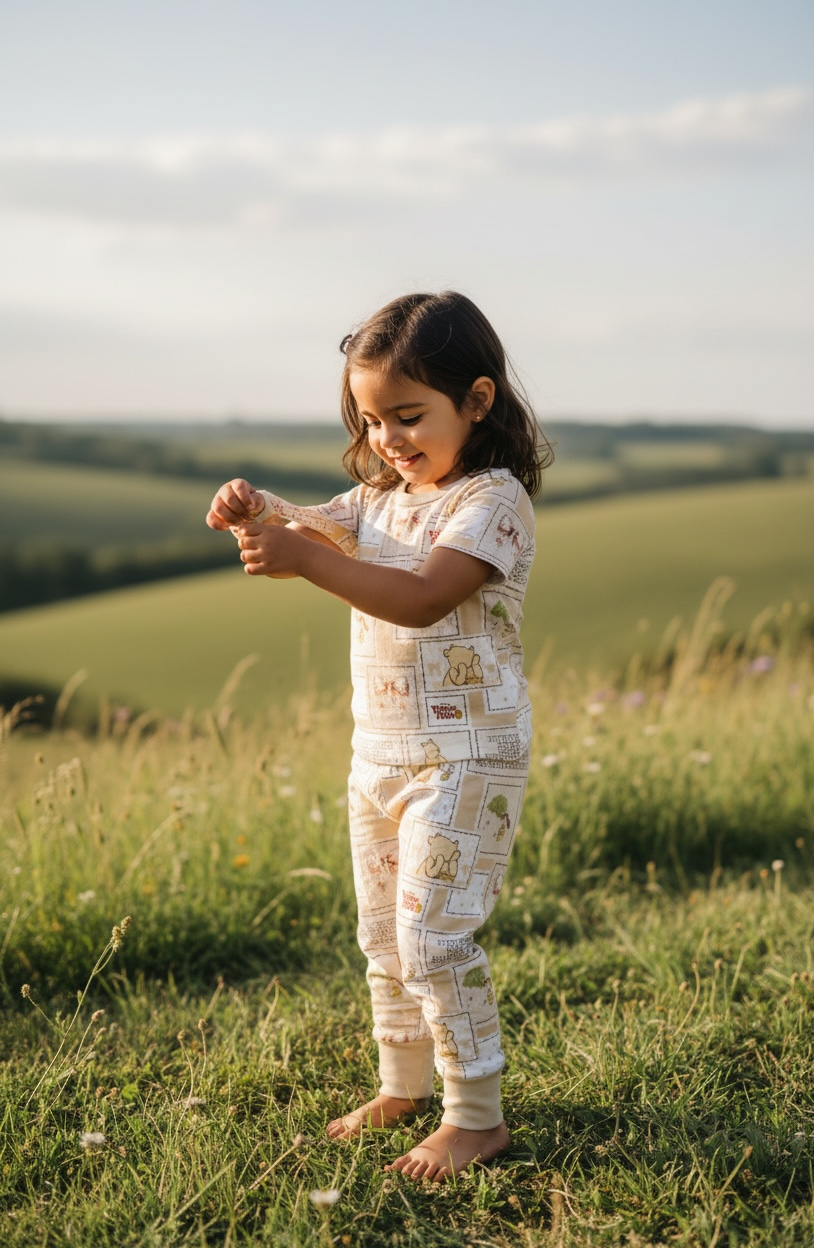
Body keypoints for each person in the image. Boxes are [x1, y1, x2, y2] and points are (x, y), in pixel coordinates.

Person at [206, 291, 551, 1181]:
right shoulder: (381, 499)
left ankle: (475, 1117)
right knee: (384, 937)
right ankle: (402, 1086)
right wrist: (258, 512)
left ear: (476, 401)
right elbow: (323, 527)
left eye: (409, 415)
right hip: (380, 756)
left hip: (466, 759)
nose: (390, 439)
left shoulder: (490, 500)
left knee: (435, 938)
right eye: (371, 419)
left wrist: (307, 560)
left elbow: (425, 595)